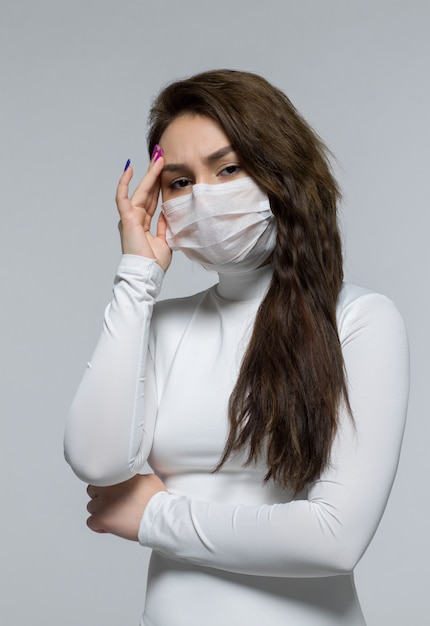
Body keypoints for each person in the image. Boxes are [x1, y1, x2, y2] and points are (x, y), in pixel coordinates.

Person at [64, 69, 409, 626]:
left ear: (281, 173)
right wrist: (136, 276)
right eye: (179, 182)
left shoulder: (358, 319)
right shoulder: (163, 325)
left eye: (228, 168)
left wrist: (151, 516)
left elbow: (334, 538)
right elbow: (96, 461)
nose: (204, 196)